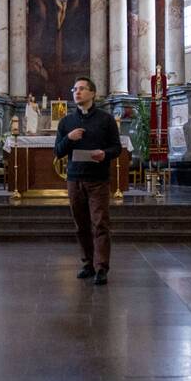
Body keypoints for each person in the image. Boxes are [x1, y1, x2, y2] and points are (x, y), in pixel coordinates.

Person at [54, 77, 121, 286]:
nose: (77, 92)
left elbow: (116, 148)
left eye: (82, 89)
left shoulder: (105, 119)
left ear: (93, 93)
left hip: (98, 180)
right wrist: (69, 139)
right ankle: (87, 264)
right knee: (81, 225)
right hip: (74, 179)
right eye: (75, 89)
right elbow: (57, 151)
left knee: (100, 223)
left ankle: (102, 268)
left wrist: (105, 153)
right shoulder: (66, 122)